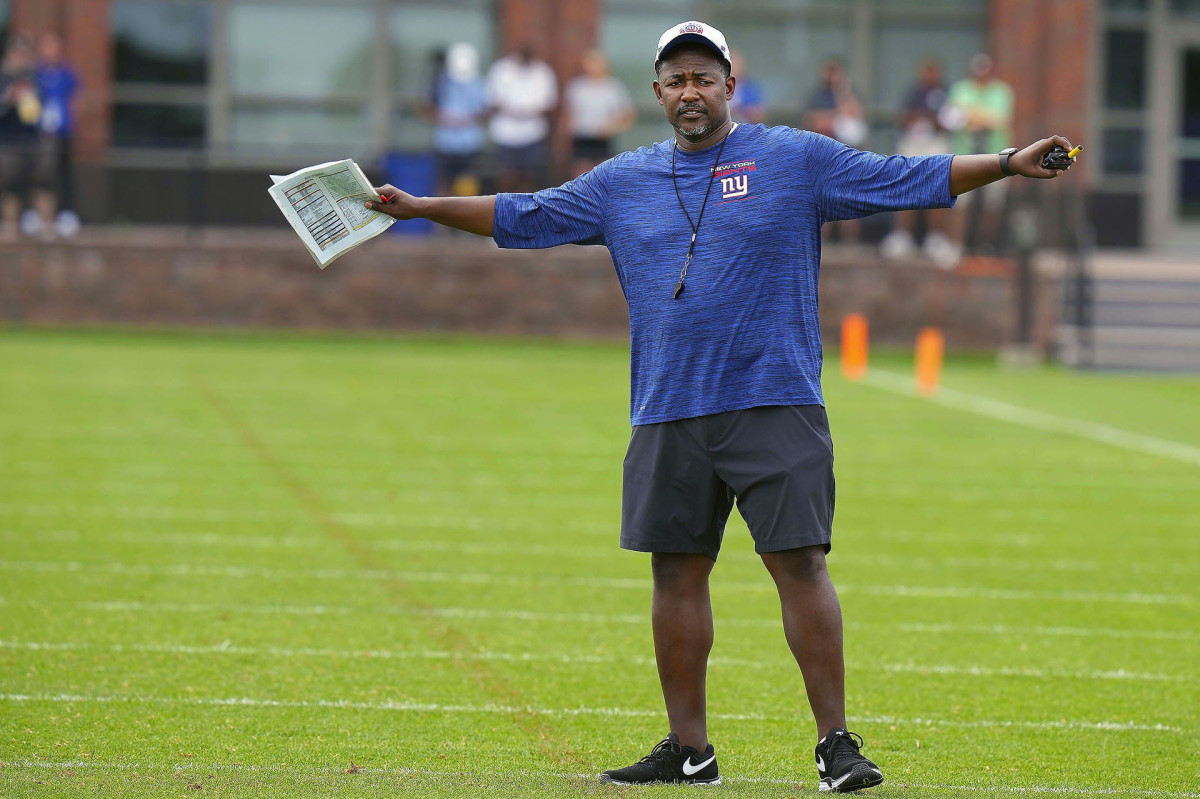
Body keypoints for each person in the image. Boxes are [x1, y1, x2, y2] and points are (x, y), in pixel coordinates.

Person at [362, 20, 1075, 793]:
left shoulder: (795, 158)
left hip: (775, 398)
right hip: (667, 406)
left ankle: (836, 742)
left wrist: (1007, 162)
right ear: (658, 92)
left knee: (799, 561)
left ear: (730, 84)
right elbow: (525, 215)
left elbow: (906, 175)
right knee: (675, 573)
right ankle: (688, 749)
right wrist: (422, 206)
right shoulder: (621, 179)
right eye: (676, 79)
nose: (690, 91)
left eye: (705, 76)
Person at [880, 57, 955, 265]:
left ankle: (936, 237)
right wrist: (915, 118)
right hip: (913, 143)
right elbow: (902, 118)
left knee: (938, 188)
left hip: (936, 145)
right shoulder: (912, 92)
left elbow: (950, 123)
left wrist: (932, 119)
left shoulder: (946, 93)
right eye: (925, 70)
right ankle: (902, 235)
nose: (928, 75)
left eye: (932, 71)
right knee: (905, 187)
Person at [941, 53, 1014, 255]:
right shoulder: (960, 89)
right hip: (963, 154)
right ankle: (955, 245)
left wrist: (971, 116)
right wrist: (981, 117)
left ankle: (986, 246)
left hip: (997, 155)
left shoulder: (1002, 92)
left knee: (992, 205)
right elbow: (952, 118)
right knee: (959, 201)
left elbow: (999, 120)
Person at [806, 58, 867, 244]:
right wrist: (836, 115)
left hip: (846, 155)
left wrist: (843, 92)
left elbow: (857, 115)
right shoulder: (817, 95)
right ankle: (823, 244)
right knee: (821, 199)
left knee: (849, 197)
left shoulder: (848, 94)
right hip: (821, 155)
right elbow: (813, 121)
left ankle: (851, 242)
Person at [485, 43, 557, 193]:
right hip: (505, 132)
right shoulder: (501, 69)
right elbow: (491, 100)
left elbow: (549, 103)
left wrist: (528, 111)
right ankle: (503, 211)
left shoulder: (543, 72)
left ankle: (526, 212)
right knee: (505, 175)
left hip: (533, 132)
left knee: (530, 176)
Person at [423, 42, 487, 197]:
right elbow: (426, 108)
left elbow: (486, 110)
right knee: (444, 181)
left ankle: (466, 219)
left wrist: (468, 119)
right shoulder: (440, 82)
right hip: (445, 142)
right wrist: (444, 118)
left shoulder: (479, 83)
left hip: (469, 143)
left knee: (468, 183)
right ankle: (439, 219)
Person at [34, 31, 80, 238]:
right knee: (41, 173)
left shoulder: (67, 73)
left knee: (63, 173)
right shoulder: (35, 74)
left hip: (62, 132)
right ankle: (38, 215)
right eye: (47, 45)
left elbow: (77, 98)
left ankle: (65, 215)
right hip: (39, 134)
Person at [563, 50, 634, 177]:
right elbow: (568, 115)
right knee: (581, 173)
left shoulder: (613, 87)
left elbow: (627, 115)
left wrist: (612, 127)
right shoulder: (577, 87)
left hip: (603, 138)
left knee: (602, 172)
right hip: (582, 137)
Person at [0, 34, 42, 239]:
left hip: (28, 142)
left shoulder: (34, 78)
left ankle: (26, 226)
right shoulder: (3, 77)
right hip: (6, 142)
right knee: (6, 184)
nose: (21, 59)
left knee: (28, 184)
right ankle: (8, 227)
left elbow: (37, 113)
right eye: (17, 53)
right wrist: (9, 97)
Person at [727, 49, 766, 125]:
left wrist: (743, 110)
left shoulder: (751, 88)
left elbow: (760, 114)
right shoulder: (715, 87)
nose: (734, 68)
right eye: (731, 64)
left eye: (737, 65)